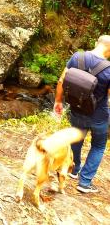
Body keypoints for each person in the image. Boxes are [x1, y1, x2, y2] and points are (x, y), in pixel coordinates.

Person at [54, 35, 110, 194]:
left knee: (76, 138)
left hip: (77, 109)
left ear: (96, 43)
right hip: (99, 115)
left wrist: (58, 101)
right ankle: (84, 182)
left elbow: (61, 81)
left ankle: (73, 168)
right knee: (98, 146)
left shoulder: (77, 57)